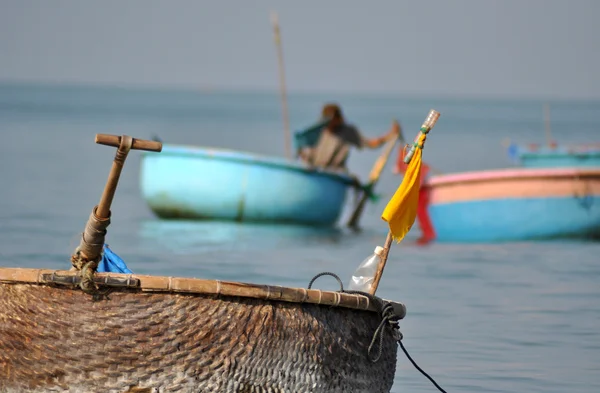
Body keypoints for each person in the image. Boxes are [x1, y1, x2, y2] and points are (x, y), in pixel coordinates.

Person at [299, 103, 400, 172]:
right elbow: (305, 151)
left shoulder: (347, 132)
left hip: (335, 172)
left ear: (338, 119)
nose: (330, 124)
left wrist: (390, 135)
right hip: (315, 170)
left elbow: (370, 143)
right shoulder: (318, 131)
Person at [393, 144, 435, 244]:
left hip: (420, 192)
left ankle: (428, 235)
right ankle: (427, 235)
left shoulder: (418, 168)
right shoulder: (417, 167)